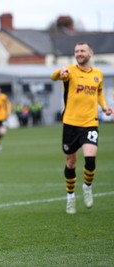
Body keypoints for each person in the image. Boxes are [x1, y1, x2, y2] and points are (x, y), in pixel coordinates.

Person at [50, 41, 113, 215]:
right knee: (70, 162)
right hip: (70, 123)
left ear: (90, 53)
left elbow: (99, 92)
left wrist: (105, 106)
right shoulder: (69, 71)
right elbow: (54, 77)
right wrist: (60, 72)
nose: (79, 53)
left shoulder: (98, 74)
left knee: (90, 159)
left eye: (82, 50)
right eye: (76, 51)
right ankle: (70, 197)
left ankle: (87, 187)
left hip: (90, 123)